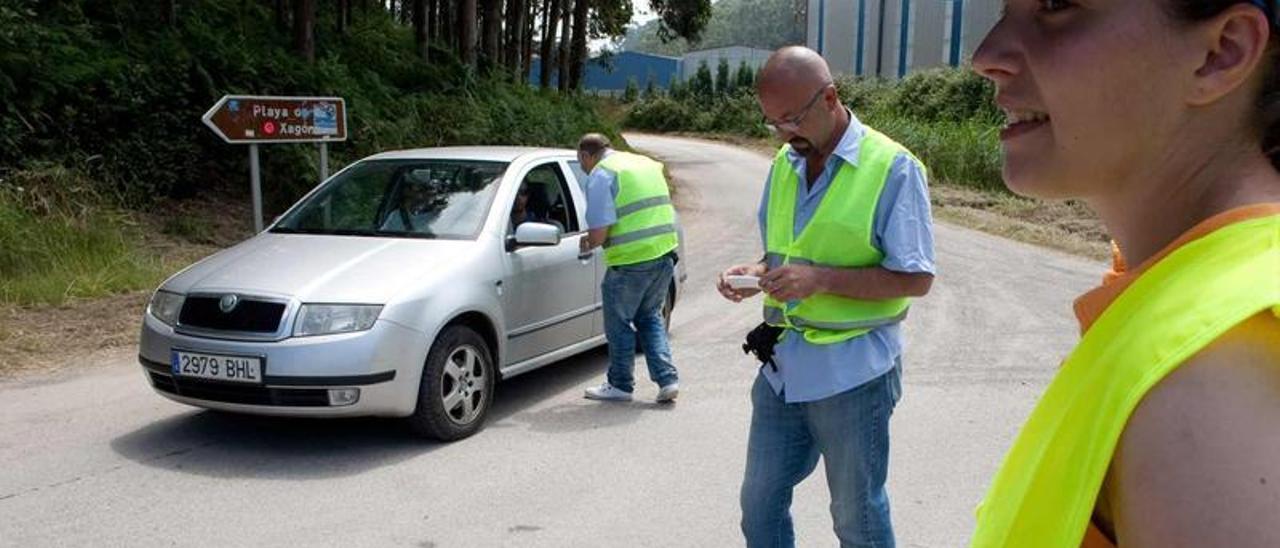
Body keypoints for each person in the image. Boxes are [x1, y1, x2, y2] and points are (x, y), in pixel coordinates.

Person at [969, 1, 1280, 546]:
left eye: (1056, 6)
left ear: (1220, 52)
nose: (985, 56)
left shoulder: (1213, 377)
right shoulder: (1198, 299)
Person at [716, 46, 935, 547]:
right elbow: (781, 255)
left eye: (790, 119)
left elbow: (915, 278)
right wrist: (755, 272)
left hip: (853, 376)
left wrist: (821, 279)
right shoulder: (785, 162)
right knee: (759, 509)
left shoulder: (894, 168)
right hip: (782, 373)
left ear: (831, 98)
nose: (782, 134)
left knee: (857, 520)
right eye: (772, 122)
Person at [578, 133, 681, 403]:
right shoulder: (645, 163)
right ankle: (667, 380)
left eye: (582, 163)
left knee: (619, 322)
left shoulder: (602, 174)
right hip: (664, 254)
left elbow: (599, 235)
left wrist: (586, 242)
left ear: (586, 155)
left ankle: (620, 384)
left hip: (630, 262)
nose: (584, 169)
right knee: (650, 317)